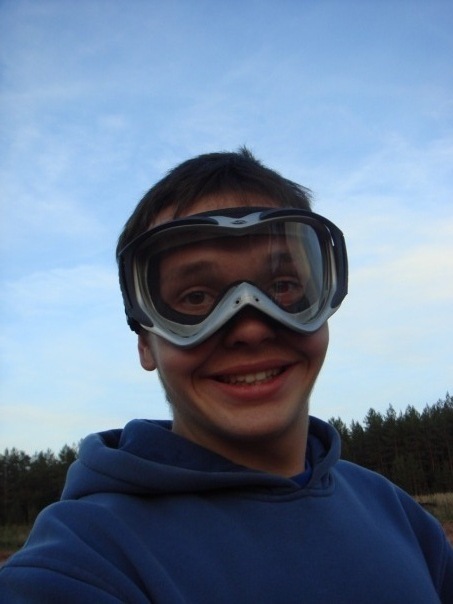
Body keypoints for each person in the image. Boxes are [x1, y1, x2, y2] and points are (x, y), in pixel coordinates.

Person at [0, 148, 452, 603]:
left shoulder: (398, 514)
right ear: (145, 343)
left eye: (283, 286)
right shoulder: (83, 558)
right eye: (196, 297)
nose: (251, 329)